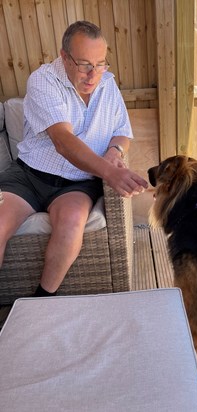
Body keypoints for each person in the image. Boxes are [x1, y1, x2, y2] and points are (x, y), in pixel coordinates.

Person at [0, 21, 148, 297]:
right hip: (29, 176)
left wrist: (114, 153)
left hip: (76, 184)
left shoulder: (108, 85)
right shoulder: (43, 80)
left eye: (100, 63)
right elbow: (63, 142)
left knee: (71, 223)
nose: (93, 75)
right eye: (84, 65)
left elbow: (122, 132)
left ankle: (42, 299)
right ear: (64, 57)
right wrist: (110, 172)